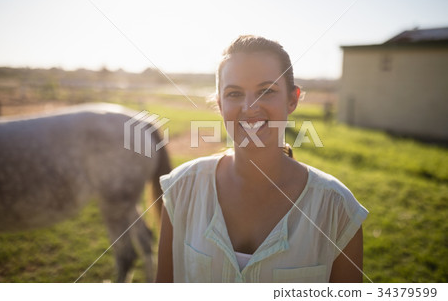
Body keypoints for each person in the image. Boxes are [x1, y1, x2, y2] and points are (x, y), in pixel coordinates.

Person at [156, 35, 368, 283]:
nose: (249, 107)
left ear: (292, 99)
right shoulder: (181, 189)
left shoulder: (337, 209)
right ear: (220, 104)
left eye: (266, 91)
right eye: (234, 93)